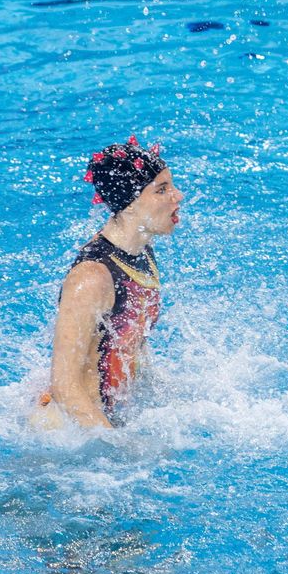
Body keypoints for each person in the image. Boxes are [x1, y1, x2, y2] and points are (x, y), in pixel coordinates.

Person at [30, 136, 184, 430]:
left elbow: (131, 343)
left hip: (101, 418)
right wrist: (118, 446)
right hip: (65, 431)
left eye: (171, 186)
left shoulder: (141, 252)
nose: (177, 196)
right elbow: (64, 387)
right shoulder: (92, 278)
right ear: (128, 205)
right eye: (161, 190)